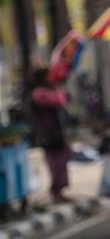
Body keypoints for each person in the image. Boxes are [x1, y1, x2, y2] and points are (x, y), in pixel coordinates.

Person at [30, 67, 71, 203]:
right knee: (55, 163)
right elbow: (59, 100)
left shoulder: (47, 90)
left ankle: (60, 190)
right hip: (49, 133)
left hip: (57, 131)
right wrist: (58, 89)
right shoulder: (39, 93)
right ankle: (56, 191)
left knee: (62, 160)